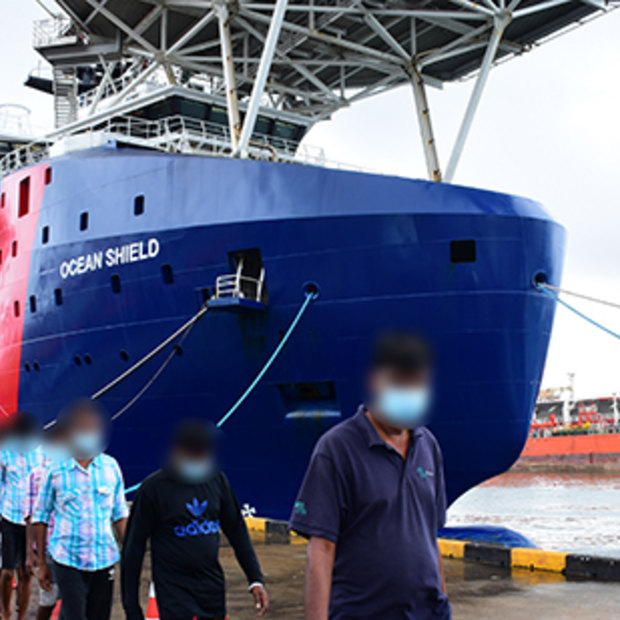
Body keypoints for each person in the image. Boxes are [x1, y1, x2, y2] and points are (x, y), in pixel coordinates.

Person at [290, 332, 451, 620]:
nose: (411, 395)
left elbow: (430, 537)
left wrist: (442, 600)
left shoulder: (428, 445)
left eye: (418, 386)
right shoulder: (337, 448)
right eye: (402, 385)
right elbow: (321, 549)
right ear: (377, 382)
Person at [121, 419, 269, 620]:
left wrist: (255, 579)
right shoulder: (153, 490)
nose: (203, 459)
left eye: (205, 453)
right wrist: (132, 608)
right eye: (197, 453)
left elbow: (237, 531)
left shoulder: (217, 481)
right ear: (179, 452)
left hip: (211, 589)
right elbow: (133, 549)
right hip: (174, 591)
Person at [32, 399, 129, 620]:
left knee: (98, 616)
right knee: (76, 615)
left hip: (104, 559)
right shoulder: (56, 470)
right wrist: (42, 563)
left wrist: (130, 551)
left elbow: (119, 514)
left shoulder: (111, 467)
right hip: (67, 559)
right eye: (83, 429)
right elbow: (40, 516)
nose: (89, 434)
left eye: (93, 429)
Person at [25, 421, 71, 620]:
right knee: (49, 598)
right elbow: (31, 516)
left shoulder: (75, 471)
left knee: (73, 599)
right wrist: (31, 553)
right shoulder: (37, 474)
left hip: (72, 546)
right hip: (50, 547)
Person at [0, 411, 44, 620]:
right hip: (9, 516)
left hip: (32, 521)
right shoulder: (5, 452)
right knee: (7, 572)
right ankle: (6, 610)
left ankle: (21, 615)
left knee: (26, 573)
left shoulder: (42, 452)